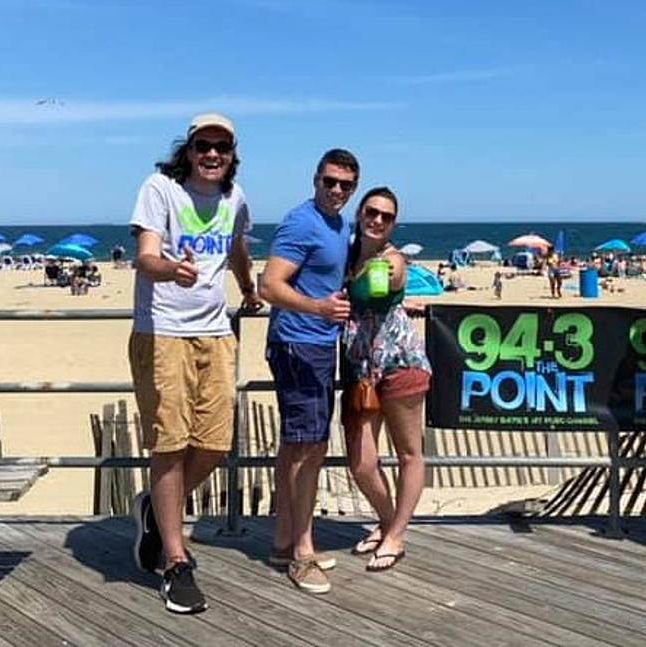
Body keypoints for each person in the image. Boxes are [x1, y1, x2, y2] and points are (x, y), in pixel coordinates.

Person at [128, 113, 261, 614]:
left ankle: (153, 509)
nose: (212, 155)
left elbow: (237, 247)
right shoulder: (160, 189)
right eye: (204, 145)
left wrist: (248, 290)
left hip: (216, 335)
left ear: (232, 155)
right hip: (163, 332)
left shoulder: (234, 198)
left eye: (222, 148)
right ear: (188, 149)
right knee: (170, 444)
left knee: (213, 443)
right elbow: (145, 256)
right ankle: (175, 559)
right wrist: (170, 270)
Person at [259, 148, 359, 594]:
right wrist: (317, 308)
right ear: (315, 179)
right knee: (308, 449)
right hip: (299, 344)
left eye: (345, 185)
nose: (336, 190)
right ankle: (302, 552)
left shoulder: (339, 225)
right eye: (329, 182)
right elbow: (270, 285)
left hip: (318, 345)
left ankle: (284, 540)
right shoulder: (301, 221)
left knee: (298, 446)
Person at [341, 187, 431, 572]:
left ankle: (396, 536)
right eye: (372, 212)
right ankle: (388, 519)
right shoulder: (345, 252)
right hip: (361, 370)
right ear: (360, 213)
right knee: (361, 462)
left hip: (400, 363)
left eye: (387, 216)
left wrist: (381, 282)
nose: (378, 220)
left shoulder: (391, 259)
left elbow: (390, 282)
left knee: (408, 452)